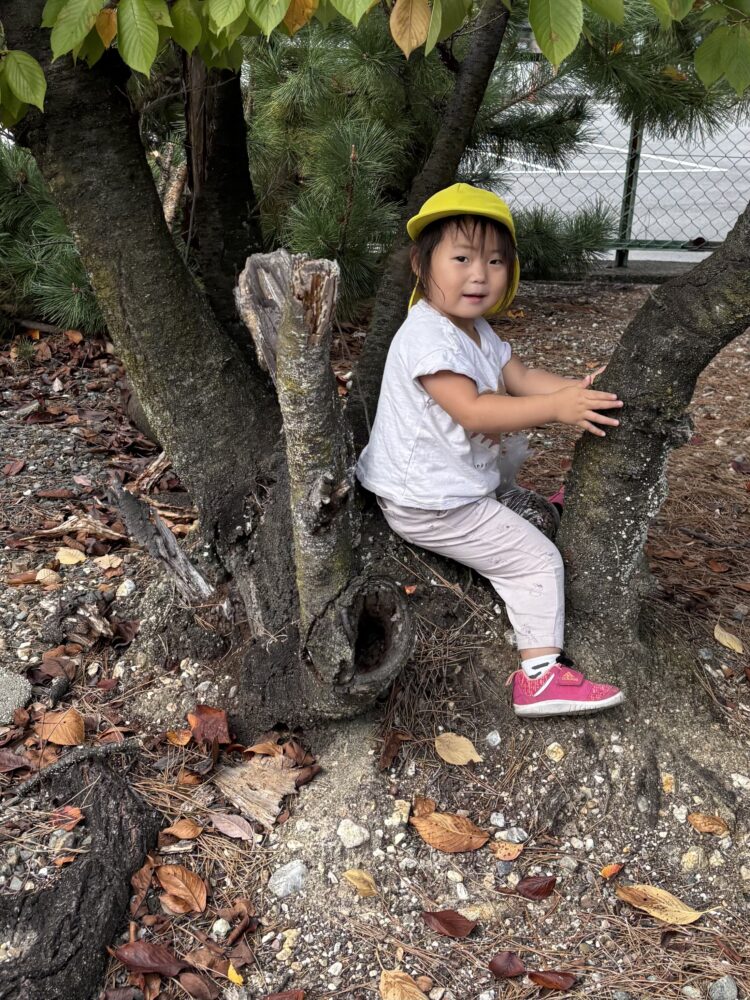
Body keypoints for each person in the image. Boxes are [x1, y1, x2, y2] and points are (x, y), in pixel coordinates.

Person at [356, 183, 625, 717]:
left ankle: (528, 510)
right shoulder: (428, 338)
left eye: (496, 261)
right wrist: (558, 408)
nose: (479, 274)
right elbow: (475, 410)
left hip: (452, 484)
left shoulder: (474, 329)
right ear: (421, 264)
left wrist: (577, 391)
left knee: (521, 503)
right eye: (461, 259)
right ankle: (540, 675)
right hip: (431, 503)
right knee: (536, 561)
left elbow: (519, 377)